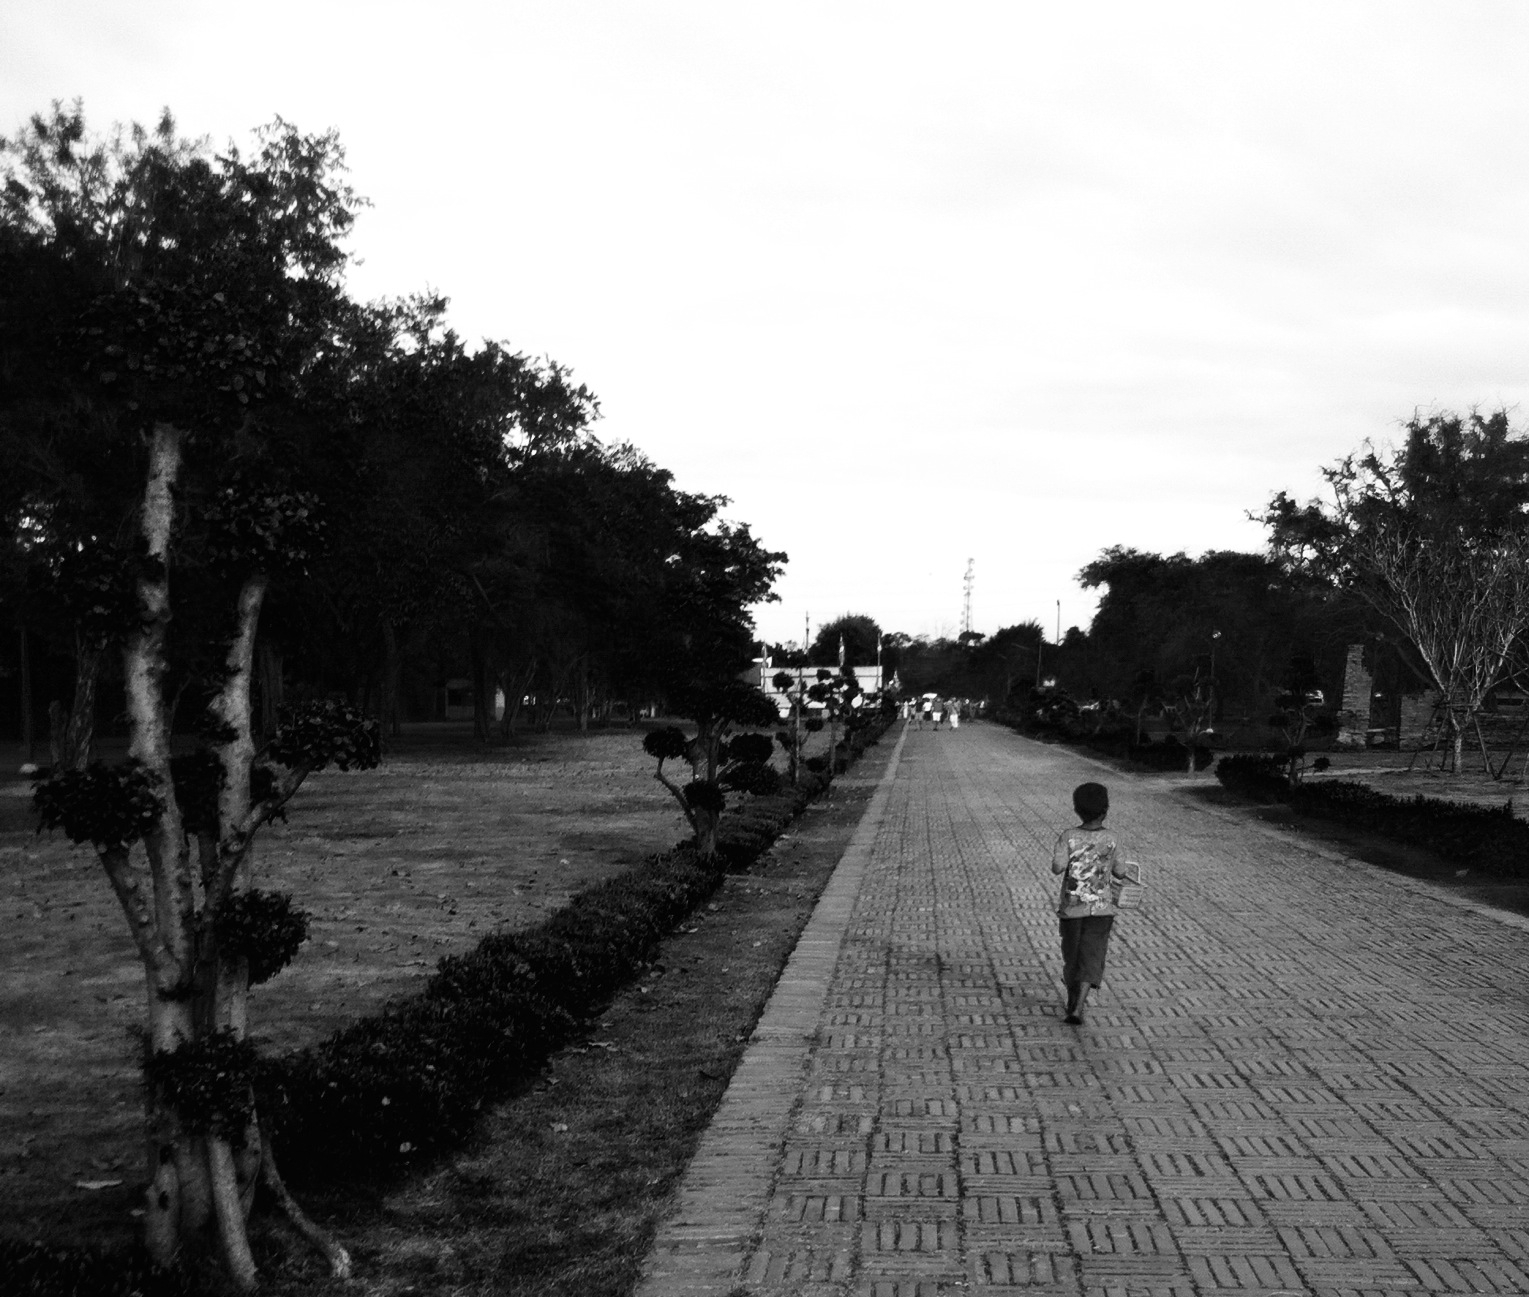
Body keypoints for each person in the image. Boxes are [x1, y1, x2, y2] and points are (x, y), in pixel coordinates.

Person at [1051, 781, 1133, 1025]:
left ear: (1077, 809)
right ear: (1105, 810)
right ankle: (1079, 1006)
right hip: (1101, 910)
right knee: (1093, 955)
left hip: (1071, 908)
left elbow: (1057, 868)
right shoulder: (1113, 838)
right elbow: (1120, 872)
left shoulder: (1068, 836)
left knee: (1072, 956)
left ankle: (1071, 1000)